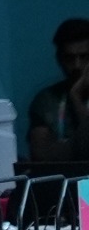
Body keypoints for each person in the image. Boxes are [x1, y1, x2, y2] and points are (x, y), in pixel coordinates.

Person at [24, 18, 89, 164]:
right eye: (70, 58)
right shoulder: (46, 100)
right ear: (59, 59)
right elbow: (41, 156)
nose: (77, 65)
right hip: (60, 178)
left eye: (84, 57)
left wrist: (76, 99)